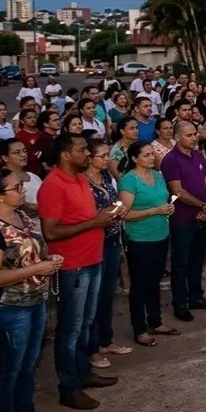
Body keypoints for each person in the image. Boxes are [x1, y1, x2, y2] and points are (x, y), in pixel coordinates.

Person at [0, 168, 63, 412]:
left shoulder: (21, 216)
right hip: (7, 308)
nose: (23, 190)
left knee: (27, 365)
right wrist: (36, 269)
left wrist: (48, 262)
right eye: (16, 188)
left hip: (34, 301)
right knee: (7, 370)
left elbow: (30, 254)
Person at [38, 132, 121, 410]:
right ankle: (69, 386)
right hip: (73, 266)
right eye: (83, 149)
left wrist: (107, 215)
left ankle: (84, 372)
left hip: (93, 259)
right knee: (70, 329)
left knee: (86, 322)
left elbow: (86, 218)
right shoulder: (53, 185)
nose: (87, 153)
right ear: (65, 154)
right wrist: (94, 223)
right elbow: (50, 231)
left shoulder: (80, 180)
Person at [117, 142, 178, 347]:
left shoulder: (158, 176)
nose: (151, 158)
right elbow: (124, 213)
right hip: (140, 240)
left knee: (154, 282)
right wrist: (155, 211)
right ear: (135, 159)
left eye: (152, 154)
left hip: (161, 235)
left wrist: (167, 208)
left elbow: (163, 200)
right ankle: (140, 329)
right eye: (146, 155)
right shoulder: (129, 180)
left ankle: (156, 321)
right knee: (140, 285)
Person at [161, 121, 206, 322]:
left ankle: (196, 296)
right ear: (177, 137)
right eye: (189, 135)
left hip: (202, 218)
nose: (194, 137)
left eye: (195, 133)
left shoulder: (197, 155)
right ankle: (180, 303)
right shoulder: (170, 160)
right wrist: (202, 206)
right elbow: (178, 191)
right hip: (183, 219)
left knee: (197, 260)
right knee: (181, 263)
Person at [84, 140, 132, 370]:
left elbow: (114, 202)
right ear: (89, 158)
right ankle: (92, 348)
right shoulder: (83, 183)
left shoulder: (105, 179)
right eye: (102, 155)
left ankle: (105, 339)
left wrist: (119, 209)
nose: (107, 159)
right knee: (93, 297)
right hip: (95, 242)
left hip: (112, 239)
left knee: (107, 294)